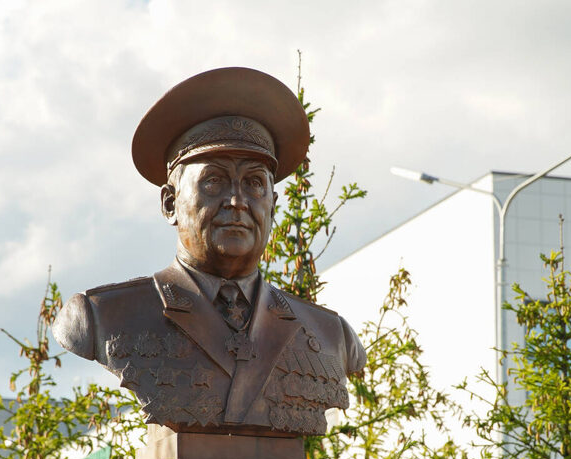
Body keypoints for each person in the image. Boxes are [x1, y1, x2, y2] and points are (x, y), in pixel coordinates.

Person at [52, 67, 366, 436]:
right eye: (214, 182)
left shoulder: (331, 335)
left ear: (273, 205)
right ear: (170, 203)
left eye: (254, 184)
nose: (237, 201)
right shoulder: (102, 317)